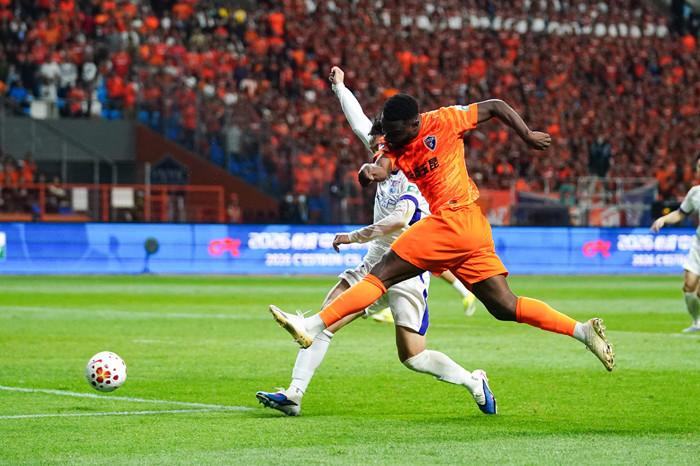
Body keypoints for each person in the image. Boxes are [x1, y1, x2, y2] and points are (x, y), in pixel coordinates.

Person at [270, 93, 615, 383]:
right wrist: (368, 172)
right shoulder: (394, 142)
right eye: (386, 131)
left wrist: (525, 134)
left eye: (395, 131)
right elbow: (382, 166)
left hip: (455, 219)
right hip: (469, 228)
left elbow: (495, 106)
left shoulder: (446, 120)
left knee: (382, 272)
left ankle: (312, 325)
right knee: (504, 306)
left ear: (414, 123)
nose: (389, 136)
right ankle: (583, 331)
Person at [256, 67, 495, 416]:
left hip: (407, 266)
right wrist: (340, 88)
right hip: (375, 261)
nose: (378, 147)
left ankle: (473, 382)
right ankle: (294, 394)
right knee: (325, 319)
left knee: (412, 356)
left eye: (383, 142)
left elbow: (399, 220)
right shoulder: (384, 154)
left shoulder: (415, 174)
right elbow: (358, 123)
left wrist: (352, 236)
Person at [651, 154, 700, 333]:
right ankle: (697, 322)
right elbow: (680, 213)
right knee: (689, 286)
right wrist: (663, 219)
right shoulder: (695, 193)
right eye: (699, 167)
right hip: (698, 245)